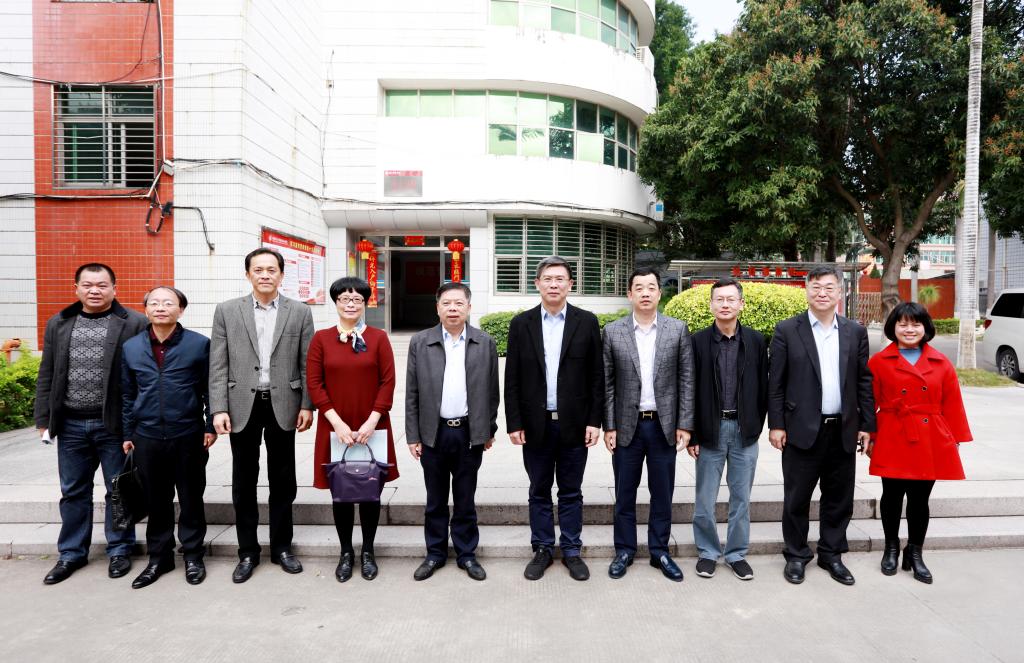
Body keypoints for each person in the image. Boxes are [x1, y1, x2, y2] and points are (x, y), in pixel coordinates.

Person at [35, 263, 148, 585]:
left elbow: (142, 375)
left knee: (118, 490)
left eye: (101, 285)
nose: (94, 291)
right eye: (87, 285)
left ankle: (120, 549)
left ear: (114, 288)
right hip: (70, 424)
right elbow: (47, 372)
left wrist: (136, 423)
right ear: (76, 289)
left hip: (113, 424)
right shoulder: (59, 323)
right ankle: (71, 553)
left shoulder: (135, 323)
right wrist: (43, 418)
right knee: (73, 491)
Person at [209, 248, 314, 583]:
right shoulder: (227, 311)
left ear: (281, 275)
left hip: (284, 403)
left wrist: (307, 405)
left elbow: (307, 362)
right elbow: (218, 364)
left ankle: (282, 547)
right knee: (244, 481)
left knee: (283, 480)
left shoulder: (300, 312)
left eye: (271, 269)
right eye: (258, 269)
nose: (265, 275)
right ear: (248, 274)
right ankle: (247, 552)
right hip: (242, 404)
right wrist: (218, 408)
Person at [768, 265, 875, 586]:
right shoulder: (788, 330)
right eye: (816, 287)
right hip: (800, 429)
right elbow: (776, 383)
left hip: (842, 429)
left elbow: (864, 381)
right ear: (807, 291)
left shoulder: (855, 332)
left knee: (839, 498)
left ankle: (831, 554)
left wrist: (867, 424)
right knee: (796, 497)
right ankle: (796, 555)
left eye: (829, 287)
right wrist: (776, 424)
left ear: (840, 292)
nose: (822, 293)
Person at [505, 256, 604, 581]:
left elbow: (596, 377)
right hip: (536, 425)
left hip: (575, 424)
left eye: (560, 279)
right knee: (539, 489)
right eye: (547, 279)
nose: (554, 284)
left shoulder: (586, 322)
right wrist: (514, 422)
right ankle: (543, 548)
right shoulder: (521, 324)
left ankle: (572, 550)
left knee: (571, 491)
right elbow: (512, 378)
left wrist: (594, 421)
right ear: (537, 284)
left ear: (570, 284)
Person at [867, 302, 971, 583]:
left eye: (916, 324)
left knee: (920, 499)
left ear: (926, 328)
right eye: (903, 324)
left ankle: (914, 552)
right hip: (892, 433)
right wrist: (869, 435)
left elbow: (953, 403)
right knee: (891, 495)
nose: (909, 329)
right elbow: (868, 402)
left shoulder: (941, 362)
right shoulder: (879, 361)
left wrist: (954, 439)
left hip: (930, 436)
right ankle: (890, 548)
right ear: (893, 327)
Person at [602, 268, 694, 581]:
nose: (645, 293)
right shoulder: (612, 332)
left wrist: (685, 424)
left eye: (651, 287)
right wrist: (609, 426)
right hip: (627, 427)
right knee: (624, 494)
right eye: (639, 287)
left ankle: (659, 551)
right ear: (630, 294)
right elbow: (607, 383)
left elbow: (686, 380)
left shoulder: (677, 330)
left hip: (663, 426)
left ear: (659, 293)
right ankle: (624, 550)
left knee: (662, 494)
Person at [121, 286, 216, 588]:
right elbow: (127, 394)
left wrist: (210, 425)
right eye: (154, 303)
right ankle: (159, 558)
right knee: (156, 500)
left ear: (181, 310)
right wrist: (128, 432)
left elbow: (210, 388)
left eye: (168, 303)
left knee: (191, 498)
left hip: (187, 433)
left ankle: (193, 555)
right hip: (147, 435)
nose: (161, 308)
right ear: (146, 309)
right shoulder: (131, 347)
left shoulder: (199, 345)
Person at [306, 277, 399, 582]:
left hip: (373, 425)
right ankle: (346, 552)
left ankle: (368, 551)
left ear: (365, 304)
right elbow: (314, 384)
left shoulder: (378, 338)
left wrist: (372, 420)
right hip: (335, 425)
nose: (350, 304)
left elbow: (388, 382)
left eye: (357, 299)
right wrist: (337, 422)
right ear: (336, 303)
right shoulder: (321, 339)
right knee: (342, 492)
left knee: (371, 491)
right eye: (344, 299)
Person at [406, 282, 500, 582]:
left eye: (459, 303)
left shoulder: (484, 342)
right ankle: (434, 553)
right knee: (435, 499)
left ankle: (466, 554)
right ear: (437, 308)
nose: (453, 309)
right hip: (433, 433)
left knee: (465, 498)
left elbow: (492, 392)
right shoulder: (421, 342)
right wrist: (413, 435)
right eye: (446, 303)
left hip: (468, 433)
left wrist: (488, 429)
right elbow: (412, 393)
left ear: (469, 307)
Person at [689, 278, 768, 581]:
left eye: (731, 299)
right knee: (705, 499)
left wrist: (756, 425)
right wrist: (693, 433)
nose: (725, 304)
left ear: (741, 304)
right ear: (711, 305)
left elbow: (764, 387)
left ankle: (736, 554)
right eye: (719, 299)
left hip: (744, 431)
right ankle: (708, 552)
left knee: (741, 499)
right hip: (710, 430)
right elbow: (690, 389)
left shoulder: (756, 341)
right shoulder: (697, 341)